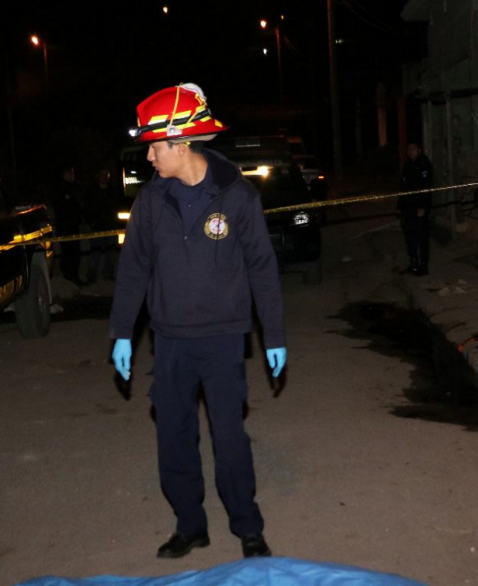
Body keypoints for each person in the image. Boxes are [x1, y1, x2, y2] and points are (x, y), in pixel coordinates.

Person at [108, 83, 286, 559]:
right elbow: (134, 269)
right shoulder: (150, 201)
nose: (149, 157)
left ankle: (247, 526)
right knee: (173, 438)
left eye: (155, 147)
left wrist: (274, 334)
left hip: (223, 338)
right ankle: (190, 525)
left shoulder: (237, 196)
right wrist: (122, 332)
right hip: (170, 340)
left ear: (181, 144)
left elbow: (262, 267)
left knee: (229, 438)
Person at [397, 143, 433, 276]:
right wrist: (399, 206)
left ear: (419, 150)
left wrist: (423, 207)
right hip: (408, 208)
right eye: (409, 149)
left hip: (419, 207)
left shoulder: (423, 164)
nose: (410, 151)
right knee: (410, 236)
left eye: (413, 149)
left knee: (422, 236)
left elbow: (426, 187)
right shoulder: (408, 165)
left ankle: (423, 265)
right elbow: (403, 187)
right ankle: (413, 263)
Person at [83, 167, 120, 282]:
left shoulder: (113, 191)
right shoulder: (92, 191)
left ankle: (108, 273)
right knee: (94, 252)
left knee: (110, 252)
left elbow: (117, 207)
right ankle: (92, 275)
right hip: (97, 227)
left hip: (111, 226)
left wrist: (116, 222)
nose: (104, 177)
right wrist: (92, 222)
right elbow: (86, 208)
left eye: (106, 174)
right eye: (102, 174)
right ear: (98, 175)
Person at [53, 165, 85, 286]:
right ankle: (70, 278)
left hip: (73, 225)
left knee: (75, 253)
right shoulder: (60, 189)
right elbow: (62, 208)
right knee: (68, 253)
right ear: (66, 174)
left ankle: (74, 277)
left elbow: (78, 204)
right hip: (65, 227)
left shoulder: (73, 188)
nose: (73, 176)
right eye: (71, 173)